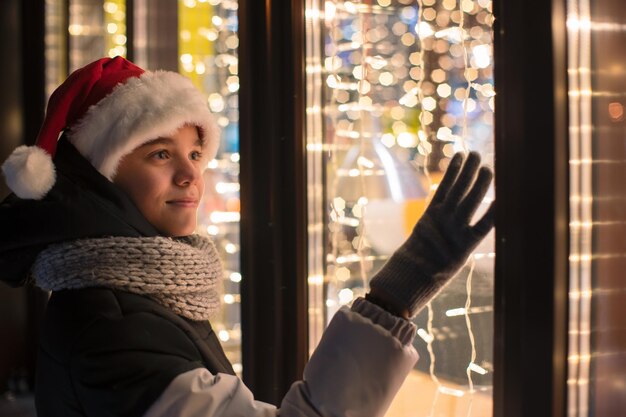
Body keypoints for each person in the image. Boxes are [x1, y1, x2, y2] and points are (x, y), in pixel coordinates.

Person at [0, 56, 494, 417]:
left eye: (195, 154)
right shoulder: (110, 330)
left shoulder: (127, 293)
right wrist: (393, 297)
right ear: (99, 177)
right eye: (159, 154)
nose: (190, 175)